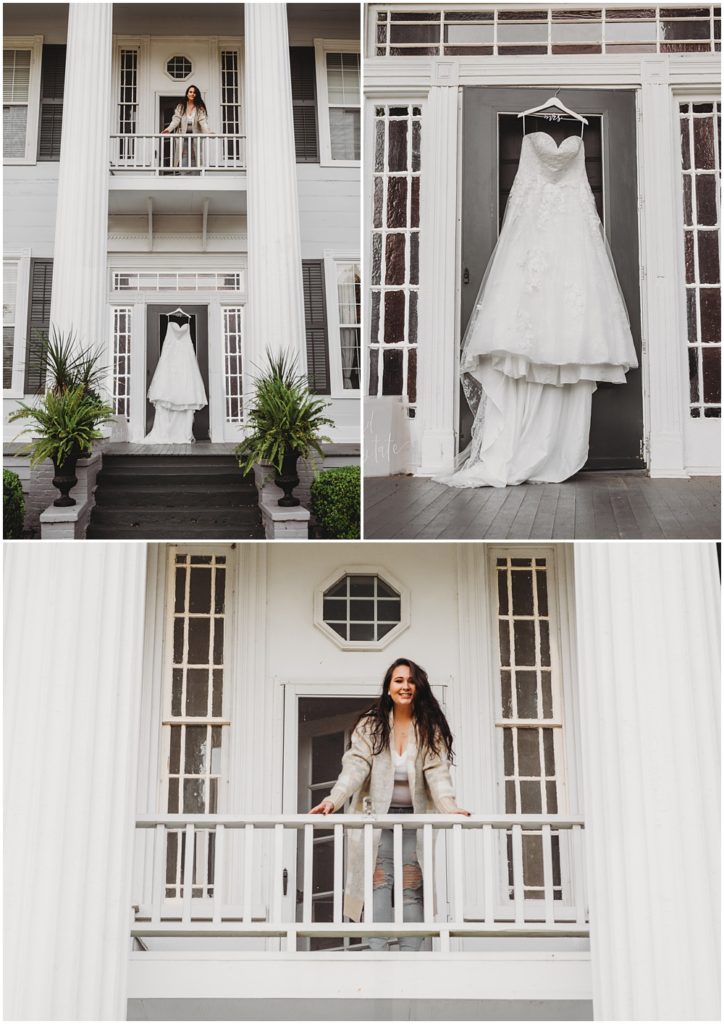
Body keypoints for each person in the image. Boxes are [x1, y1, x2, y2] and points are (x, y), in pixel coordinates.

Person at [310, 658, 470, 951]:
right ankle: (378, 953)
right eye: (398, 681)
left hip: (413, 820)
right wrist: (333, 800)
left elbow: (437, 773)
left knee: (411, 886)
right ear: (388, 688)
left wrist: (449, 806)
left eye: (410, 681)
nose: (405, 686)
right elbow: (355, 767)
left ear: (418, 688)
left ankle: (409, 955)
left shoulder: (428, 728)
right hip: (376, 821)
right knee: (377, 885)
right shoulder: (371, 725)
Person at [161, 85, 209, 169]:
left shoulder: (200, 108)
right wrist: (168, 129)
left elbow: (203, 122)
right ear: (187, 94)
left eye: (194, 92)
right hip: (182, 136)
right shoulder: (181, 106)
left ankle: (195, 176)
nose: (192, 94)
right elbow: (176, 120)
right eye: (190, 92)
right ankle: (184, 175)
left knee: (195, 155)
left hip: (195, 136)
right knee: (183, 155)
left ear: (196, 95)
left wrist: (208, 132)